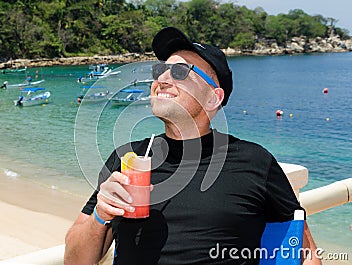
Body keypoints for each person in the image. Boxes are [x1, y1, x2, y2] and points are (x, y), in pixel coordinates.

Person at [64, 27, 321, 265]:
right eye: (160, 70)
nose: (162, 78)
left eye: (179, 72)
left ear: (213, 98)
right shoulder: (129, 159)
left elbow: (304, 251)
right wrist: (101, 214)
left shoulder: (255, 162)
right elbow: (75, 260)